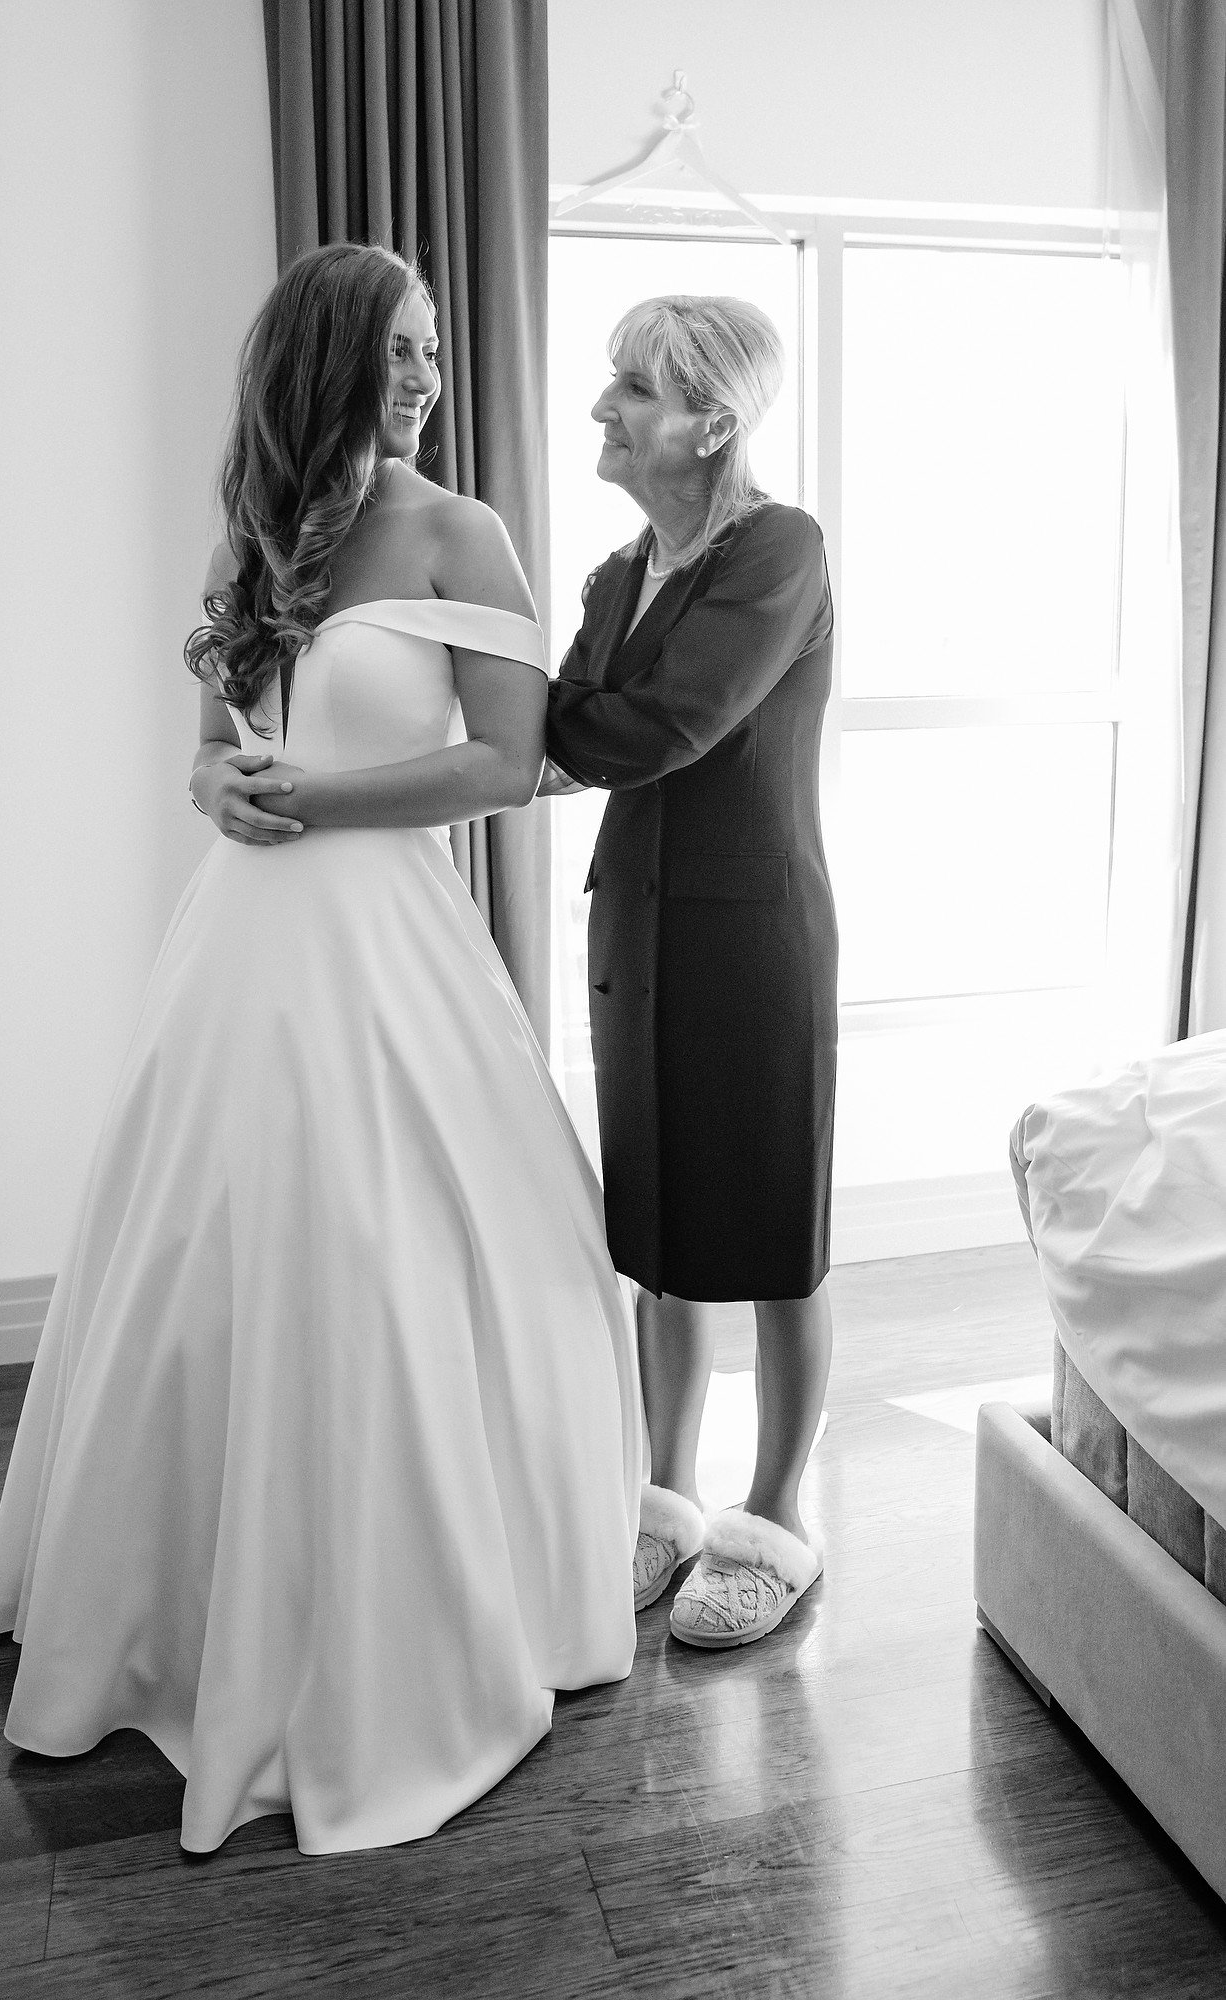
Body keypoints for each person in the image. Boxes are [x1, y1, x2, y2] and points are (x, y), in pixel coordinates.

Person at [0, 242, 641, 1855]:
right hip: (240, 951)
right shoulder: (255, 535)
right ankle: (175, 1600)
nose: (426, 373)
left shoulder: (458, 529)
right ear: (324, 359)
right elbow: (213, 751)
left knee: (388, 1252)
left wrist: (316, 803)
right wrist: (218, 791)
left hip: (387, 943)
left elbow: (505, 759)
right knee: (200, 1245)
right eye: (400, 349)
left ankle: (421, 1619)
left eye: (432, 347)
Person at [542, 293, 836, 1651]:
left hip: (751, 934)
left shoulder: (778, 548)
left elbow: (667, 723)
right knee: (661, 1238)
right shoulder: (616, 574)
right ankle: (668, 1494)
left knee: (773, 1234)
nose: (605, 406)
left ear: (712, 420)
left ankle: (778, 1514)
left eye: (635, 388)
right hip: (637, 927)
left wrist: (552, 732)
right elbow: (564, 716)